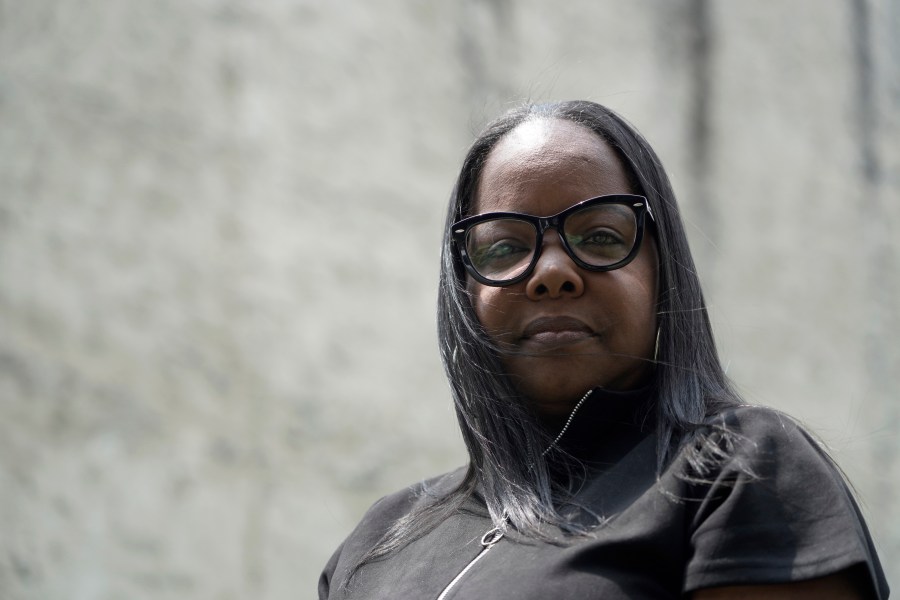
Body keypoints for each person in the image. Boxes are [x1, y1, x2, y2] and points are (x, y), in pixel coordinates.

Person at [318, 100, 890, 599]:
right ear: (464, 292)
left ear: (662, 275)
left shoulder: (737, 470)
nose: (551, 272)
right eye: (504, 247)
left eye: (600, 237)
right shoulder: (380, 539)